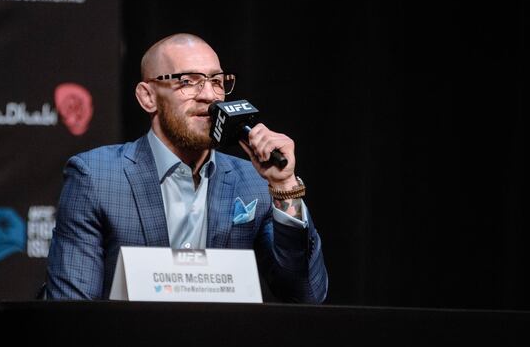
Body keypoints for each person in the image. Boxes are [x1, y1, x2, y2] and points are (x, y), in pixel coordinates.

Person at [45, 33, 328, 302]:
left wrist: (285, 186)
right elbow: (74, 310)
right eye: (188, 81)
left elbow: (304, 295)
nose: (209, 95)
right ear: (148, 97)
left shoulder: (253, 182)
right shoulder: (96, 177)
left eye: (217, 81)